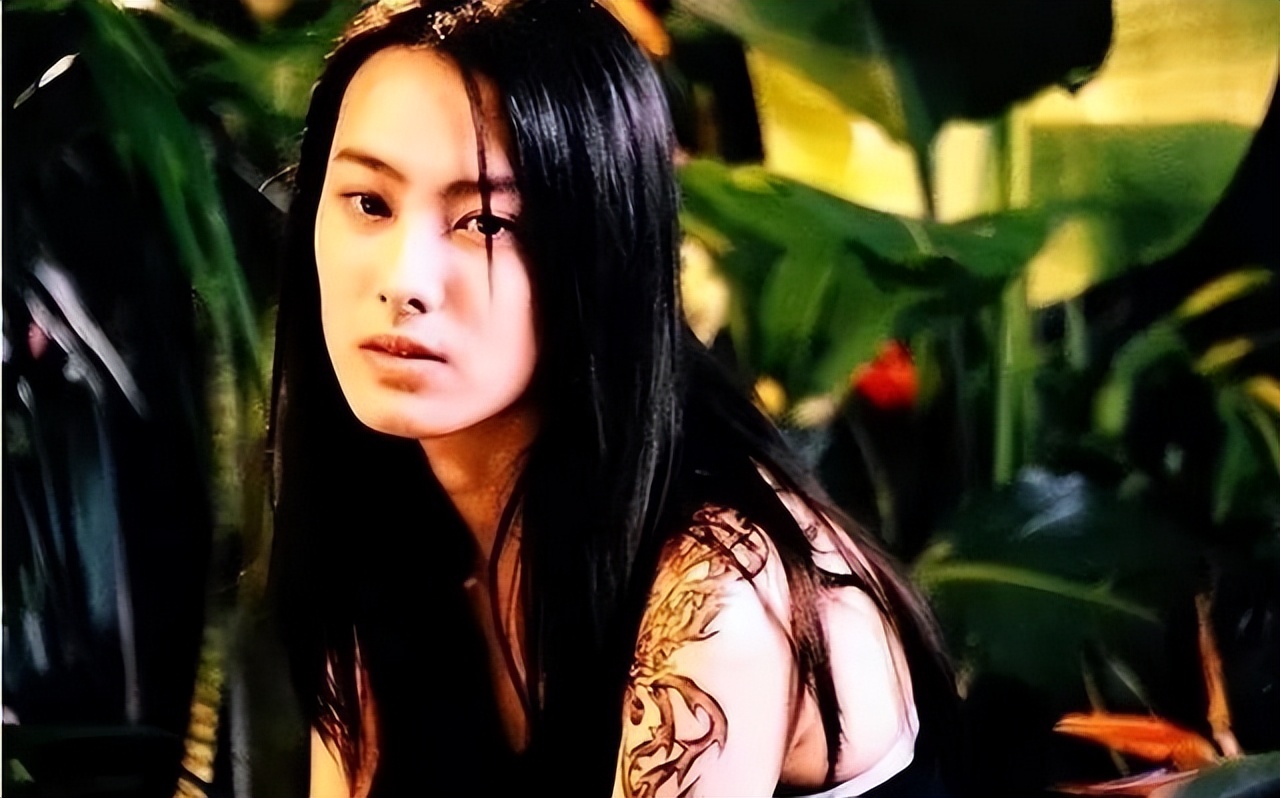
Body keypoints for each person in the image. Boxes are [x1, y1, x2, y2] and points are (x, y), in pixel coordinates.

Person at [266, 1, 962, 795]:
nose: (403, 281)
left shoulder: (715, 590)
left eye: (487, 223)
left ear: (602, 250)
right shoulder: (383, 512)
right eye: (369, 203)